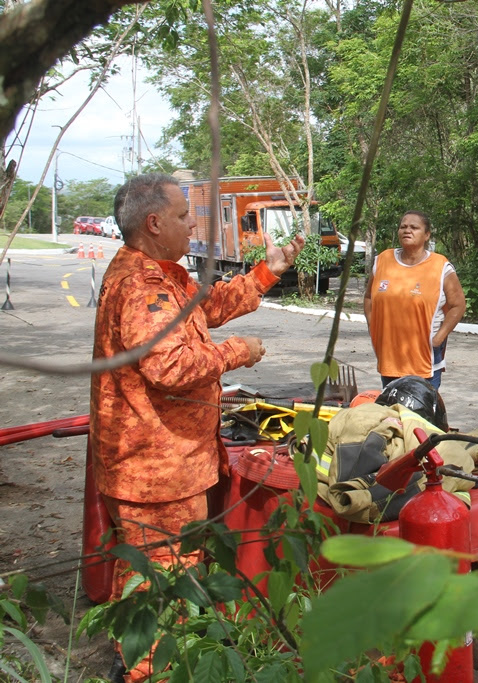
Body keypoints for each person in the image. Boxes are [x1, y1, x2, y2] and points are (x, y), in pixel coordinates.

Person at [89, 173, 303, 680]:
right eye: (185, 216)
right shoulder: (142, 285)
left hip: (173, 461)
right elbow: (169, 366)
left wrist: (266, 274)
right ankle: (149, 672)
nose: (194, 223)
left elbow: (210, 306)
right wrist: (239, 352)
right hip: (154, 469)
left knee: (168, 571)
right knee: (156, 577)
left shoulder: (164, 275)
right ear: (154, 222)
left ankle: (158, 660)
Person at [364, 211, 466, 389]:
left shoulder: (440, 266)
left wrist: (438, 339)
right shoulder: (382, 261)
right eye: (403, 227)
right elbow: (368, 298)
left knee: (421, 413)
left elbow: (458, 305)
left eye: (414, 227)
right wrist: (374, 329)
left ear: (426, 235)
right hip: (389, 356)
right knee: (393, 412)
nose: (407, 230)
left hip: (424, 357)